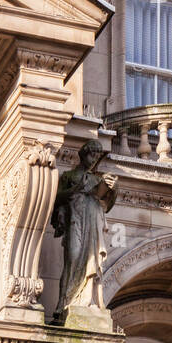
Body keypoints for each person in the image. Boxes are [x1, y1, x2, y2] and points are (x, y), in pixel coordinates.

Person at [51, 138, 117, 321]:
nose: (94, 158)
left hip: (93, 219)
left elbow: (106, 205)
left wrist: (113, 190)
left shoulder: (97, 179)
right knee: (73, 257)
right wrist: (77, 189)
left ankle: (87, 299)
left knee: (92, 261)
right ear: (83, 154)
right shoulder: (69, 176)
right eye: (92, 154)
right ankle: (63, 303)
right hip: (75, 219)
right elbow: (56, 199)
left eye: (97, 155)